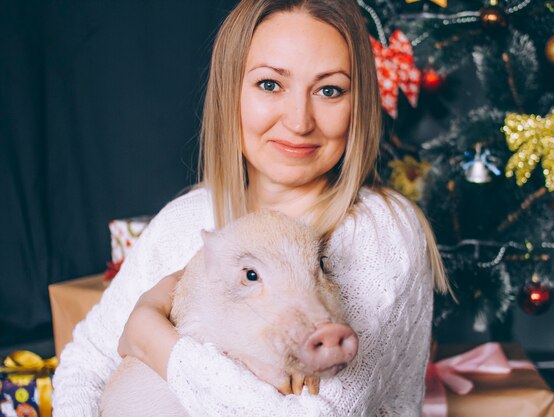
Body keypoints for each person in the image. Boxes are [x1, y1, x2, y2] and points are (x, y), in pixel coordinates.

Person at [52, 0, 449, 415]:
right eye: (270, 84)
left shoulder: (378, 230)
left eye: (329, 89)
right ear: (230, 91)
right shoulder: (187, 219)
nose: (299, 121)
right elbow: (85, 363)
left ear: (359, 105)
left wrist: (155, 341)